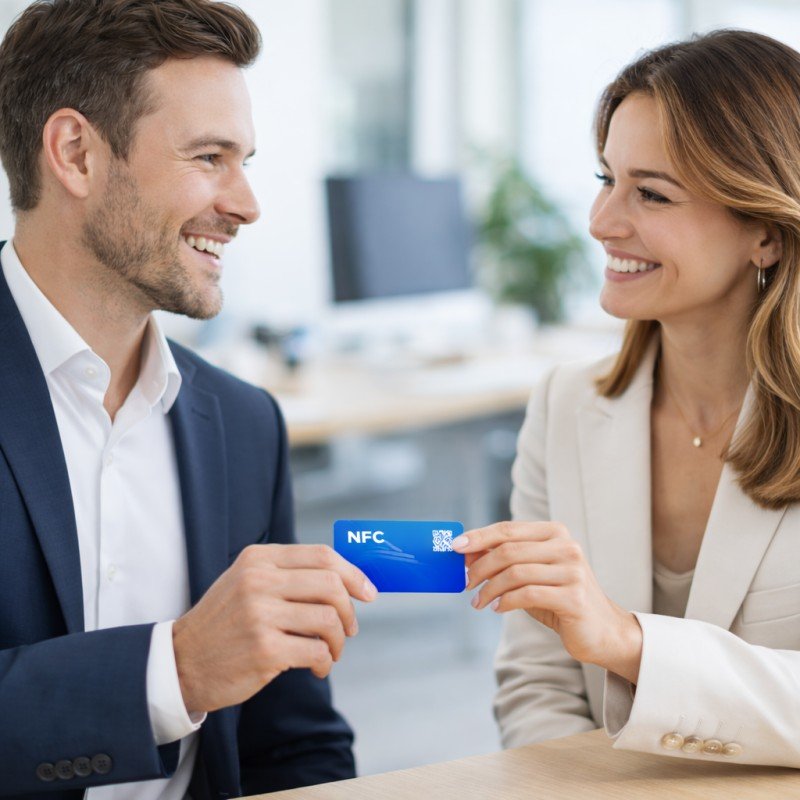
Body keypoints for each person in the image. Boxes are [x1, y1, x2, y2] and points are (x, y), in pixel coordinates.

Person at [0, 1, 377, 798]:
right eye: (209, 157)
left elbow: (295, 743)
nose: (245, 204)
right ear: (75, 153)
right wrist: (173, 670)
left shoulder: (244, 425)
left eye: (244, 161)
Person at [453, 29, 800, 767]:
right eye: (605, 179)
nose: (602, 222)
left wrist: (627, 641)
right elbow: (536, 681)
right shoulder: (565, 406)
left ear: (765, 234)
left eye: (650, 193)